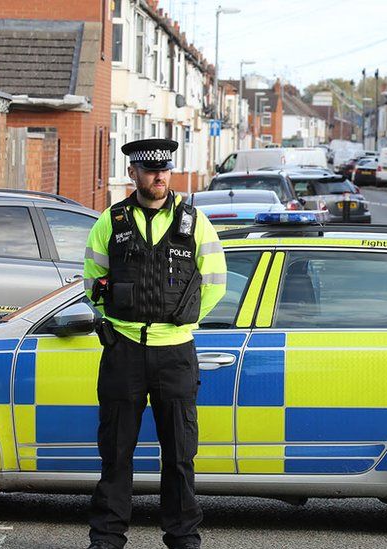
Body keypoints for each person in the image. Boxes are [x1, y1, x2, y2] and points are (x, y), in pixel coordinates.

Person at [84, 138, 226, 549]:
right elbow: (92, 281)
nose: (159, 176)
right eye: (149, 170)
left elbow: (215, 281)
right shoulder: (111, 221)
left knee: (180, 457)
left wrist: (181, 319)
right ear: (134, 174)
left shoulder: (193, 221)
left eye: (164, 169)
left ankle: (183, 538)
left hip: (175, 353)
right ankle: (107, 538)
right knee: (116, 453)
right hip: (124, 350)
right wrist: (114, 321)